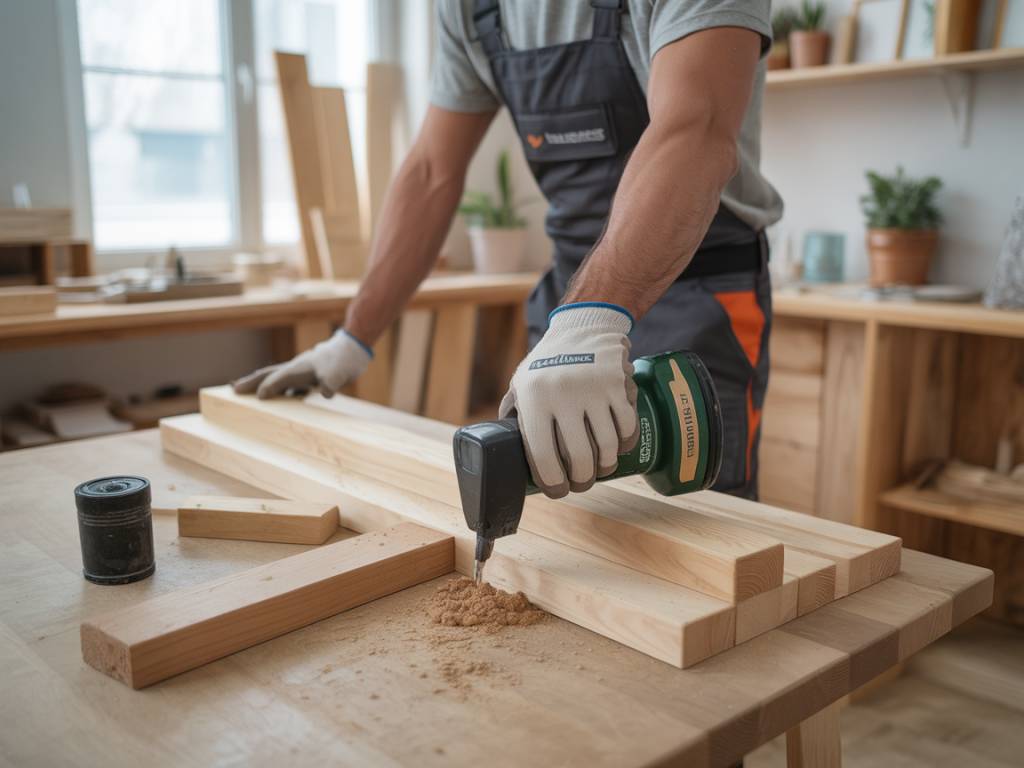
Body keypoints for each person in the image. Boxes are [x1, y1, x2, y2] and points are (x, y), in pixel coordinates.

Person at [235, 0, 783, 502]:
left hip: (697, 293)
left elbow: (696, 130)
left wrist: (589, 320)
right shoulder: (469, 9)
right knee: (571, 518)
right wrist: (351, 341)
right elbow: (431, 172)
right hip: (572, 298)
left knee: (704, 529)